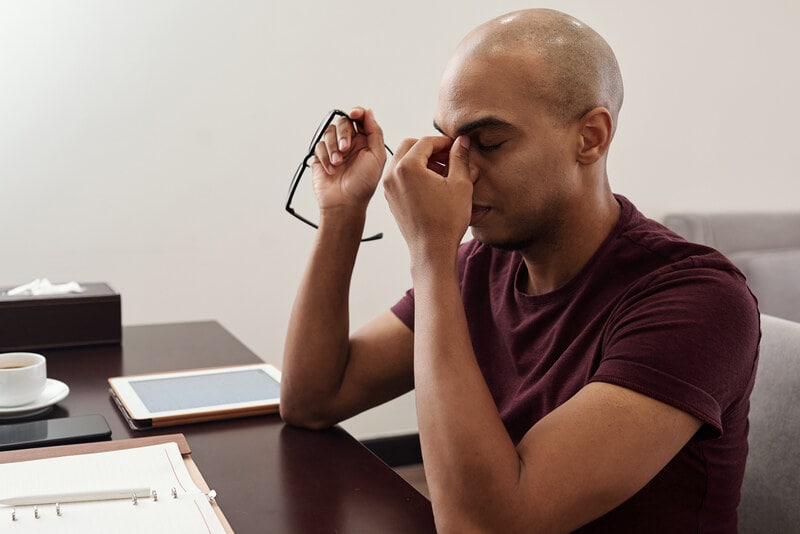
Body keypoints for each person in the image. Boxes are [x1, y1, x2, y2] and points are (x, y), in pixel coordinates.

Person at [280, 8, 760, 533]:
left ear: (591, 138)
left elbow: (484, 526)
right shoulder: (480, 268)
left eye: (488, 143)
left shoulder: (698, 301)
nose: (456, 172)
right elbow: (313, 398)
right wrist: (342, 215)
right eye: (448, 140)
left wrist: (430, 254)